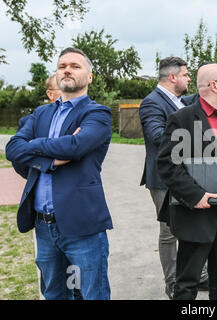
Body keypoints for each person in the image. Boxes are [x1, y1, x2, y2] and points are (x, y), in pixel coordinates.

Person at [6, 47, 113, 300]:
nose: (67, 69)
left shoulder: (97, 113)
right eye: (62, 65)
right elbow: (12, 148)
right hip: (43, 226)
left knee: (92, 294)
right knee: (54, 294)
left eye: (75, 66)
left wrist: (33, 146)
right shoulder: (41, 113)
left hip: (82, 225)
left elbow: (76, 147)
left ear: (90, 77)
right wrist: (52, 159)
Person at [157, 63, 217, 300]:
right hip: (197, 210)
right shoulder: (182, 119)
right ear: (214, 85)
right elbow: (168, 165)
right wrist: (195, 196)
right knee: (188, 281)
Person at [139, 56, 208, 299]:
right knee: (169, 232)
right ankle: (172, 283)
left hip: (187, 176)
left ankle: (197, 275)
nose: (189, 79)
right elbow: (158, 136)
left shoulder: (180, 101)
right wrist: (193, 138)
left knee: (192, 224)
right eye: (186, 75)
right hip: (163, 179)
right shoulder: (151, 103)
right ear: (173, 77)